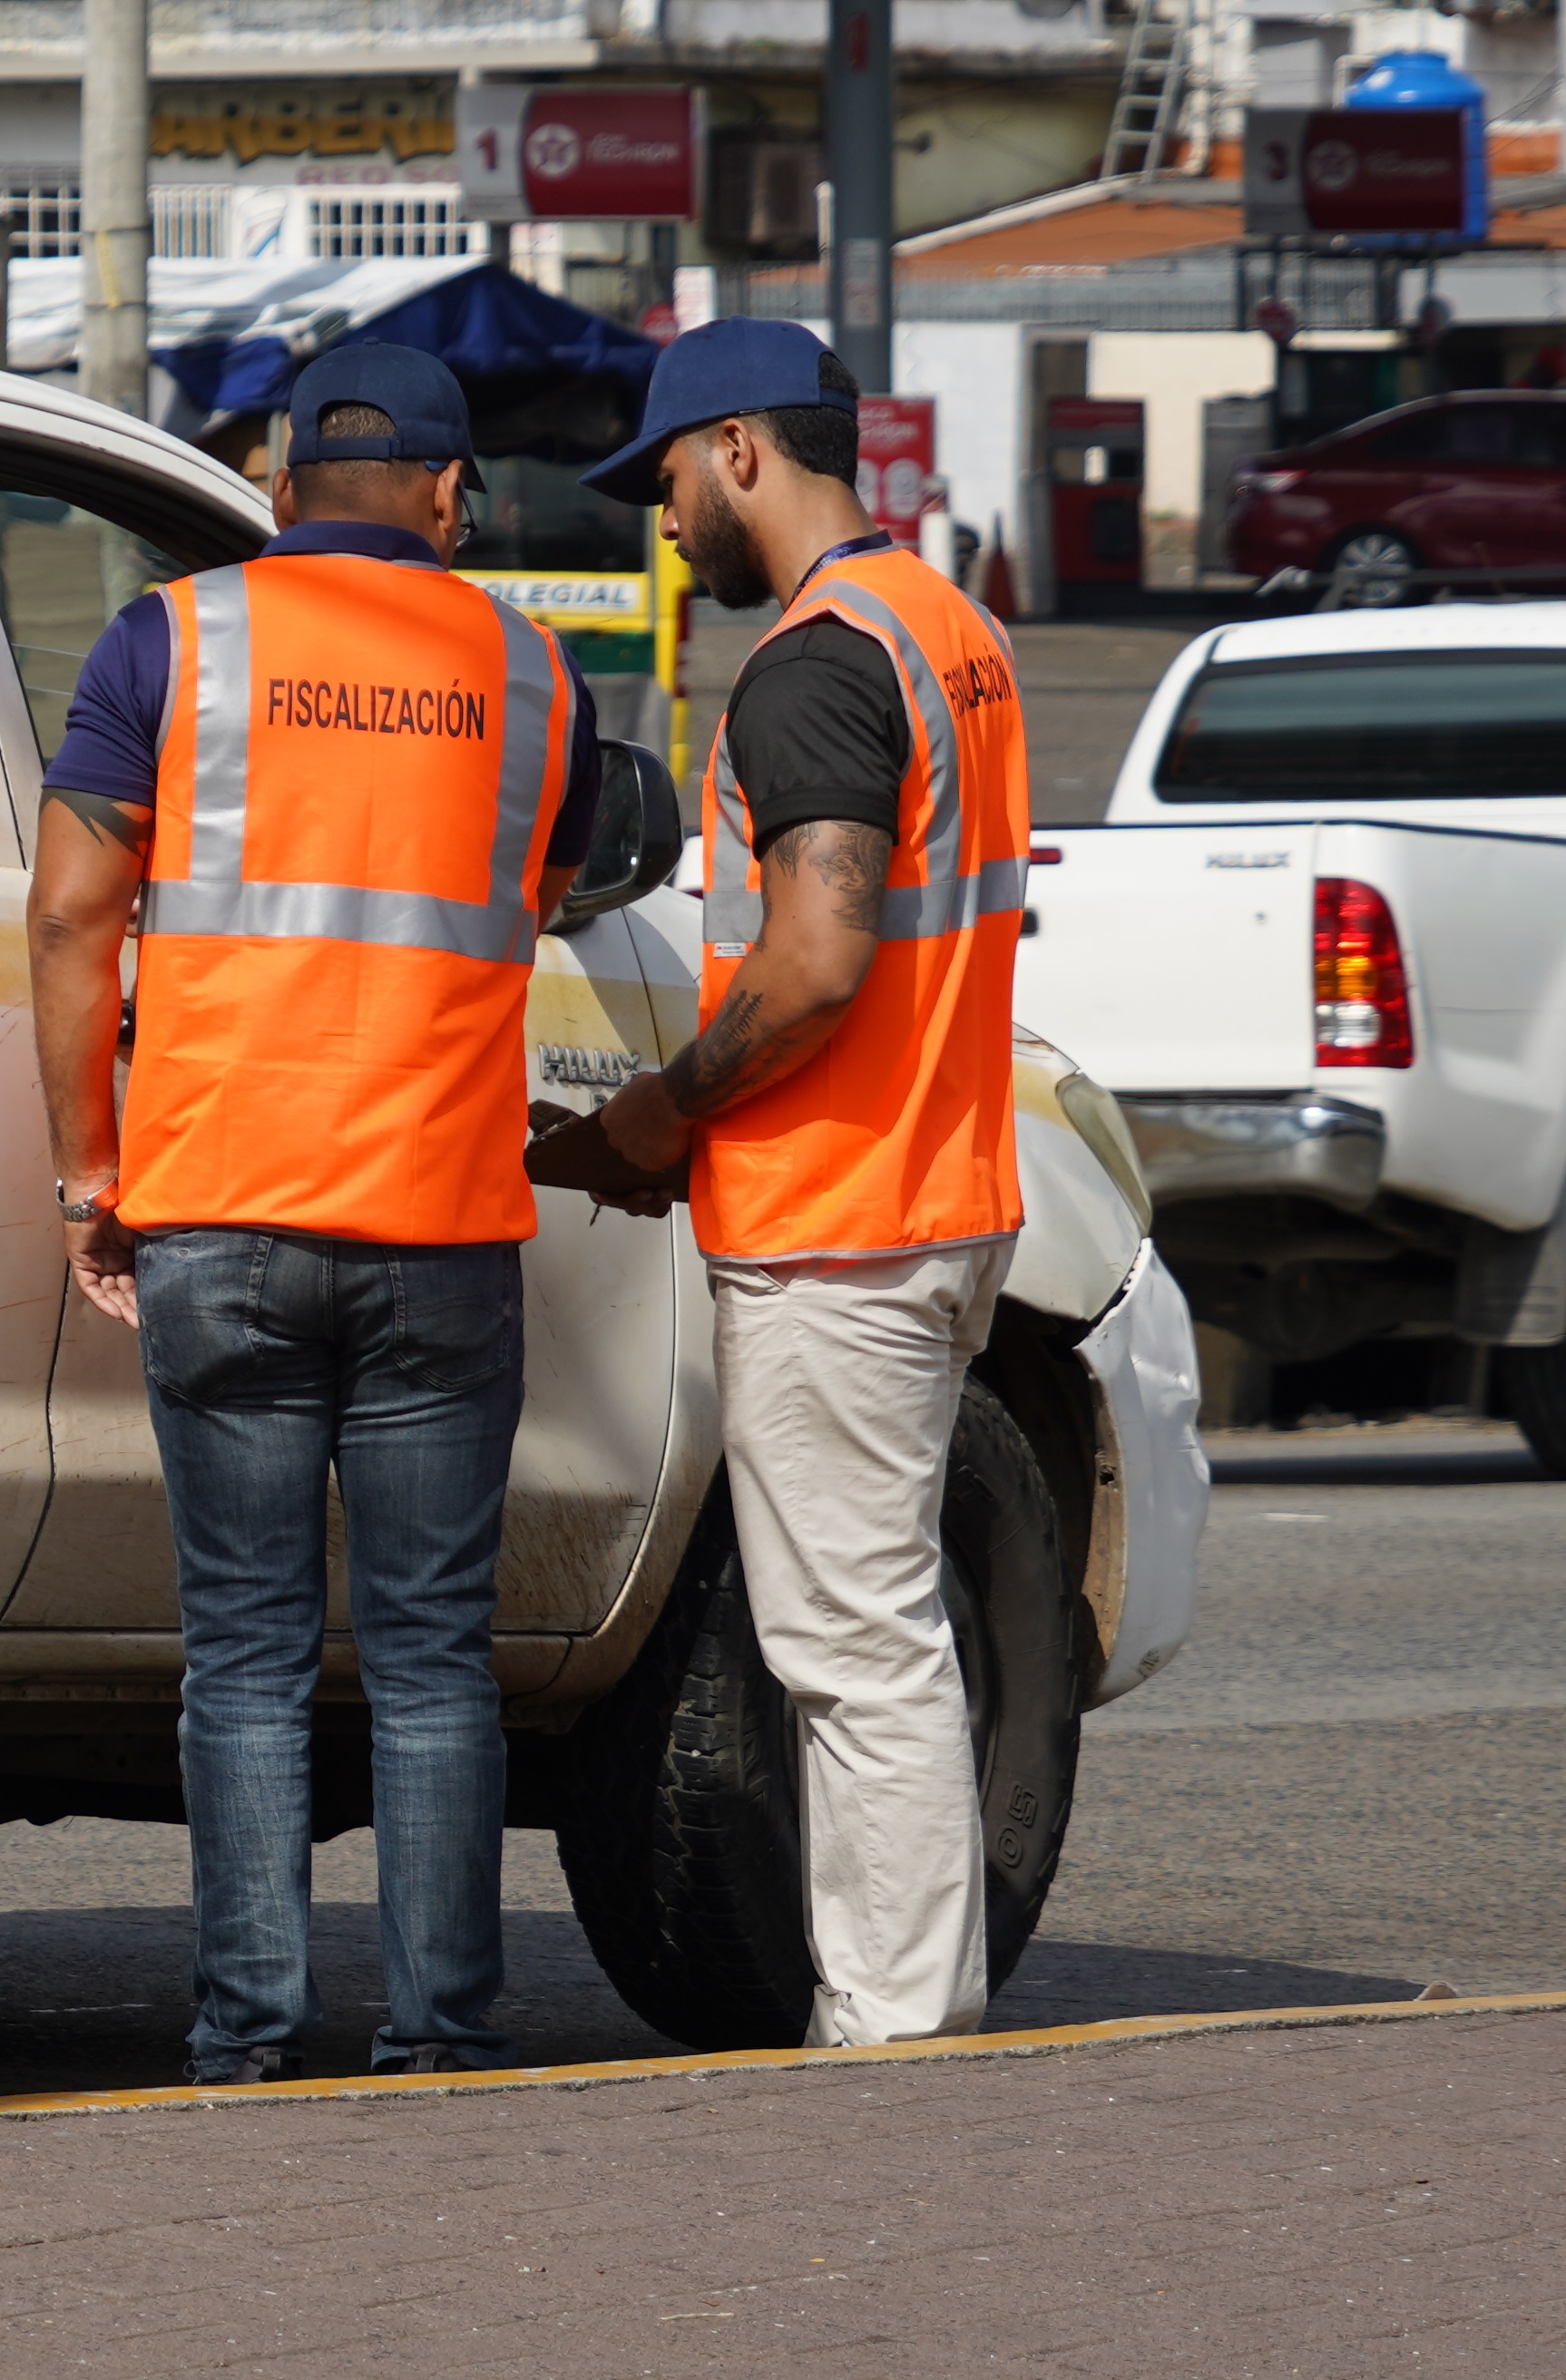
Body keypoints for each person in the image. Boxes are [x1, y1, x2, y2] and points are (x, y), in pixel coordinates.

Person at [26, 344, 602, 2083]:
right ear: (451, 495)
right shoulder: (537, 674)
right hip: (439, 1220)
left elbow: (69, 916)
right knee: (434, 1662)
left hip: (223, 1206)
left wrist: (88, 1174)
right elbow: (538, 898)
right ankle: (439, 2028)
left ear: (279, 484)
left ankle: (250, 2028)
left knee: (249, 1655)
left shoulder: (171, 641)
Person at [581, 319, 1034, 2047]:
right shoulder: (955, 630)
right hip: (935, 1186)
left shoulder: (819, 660)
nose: (670, 518)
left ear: (745, 455)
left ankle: (899, 2028)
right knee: (882, 1626)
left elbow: (818, 954)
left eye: (676, 478)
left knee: (853, 1648)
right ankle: (908, 2009)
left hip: (843, 1214)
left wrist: (654, 1119)